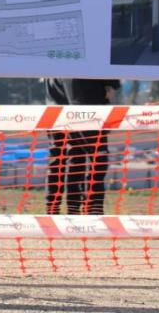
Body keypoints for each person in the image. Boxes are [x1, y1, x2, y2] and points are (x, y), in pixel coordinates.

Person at [44, 78, 120, 215]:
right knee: (96, 158)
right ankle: (92, 210)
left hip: (56, 99)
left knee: (69, 158)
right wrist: (111, 83)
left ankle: (61, 210)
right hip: (84, 100)